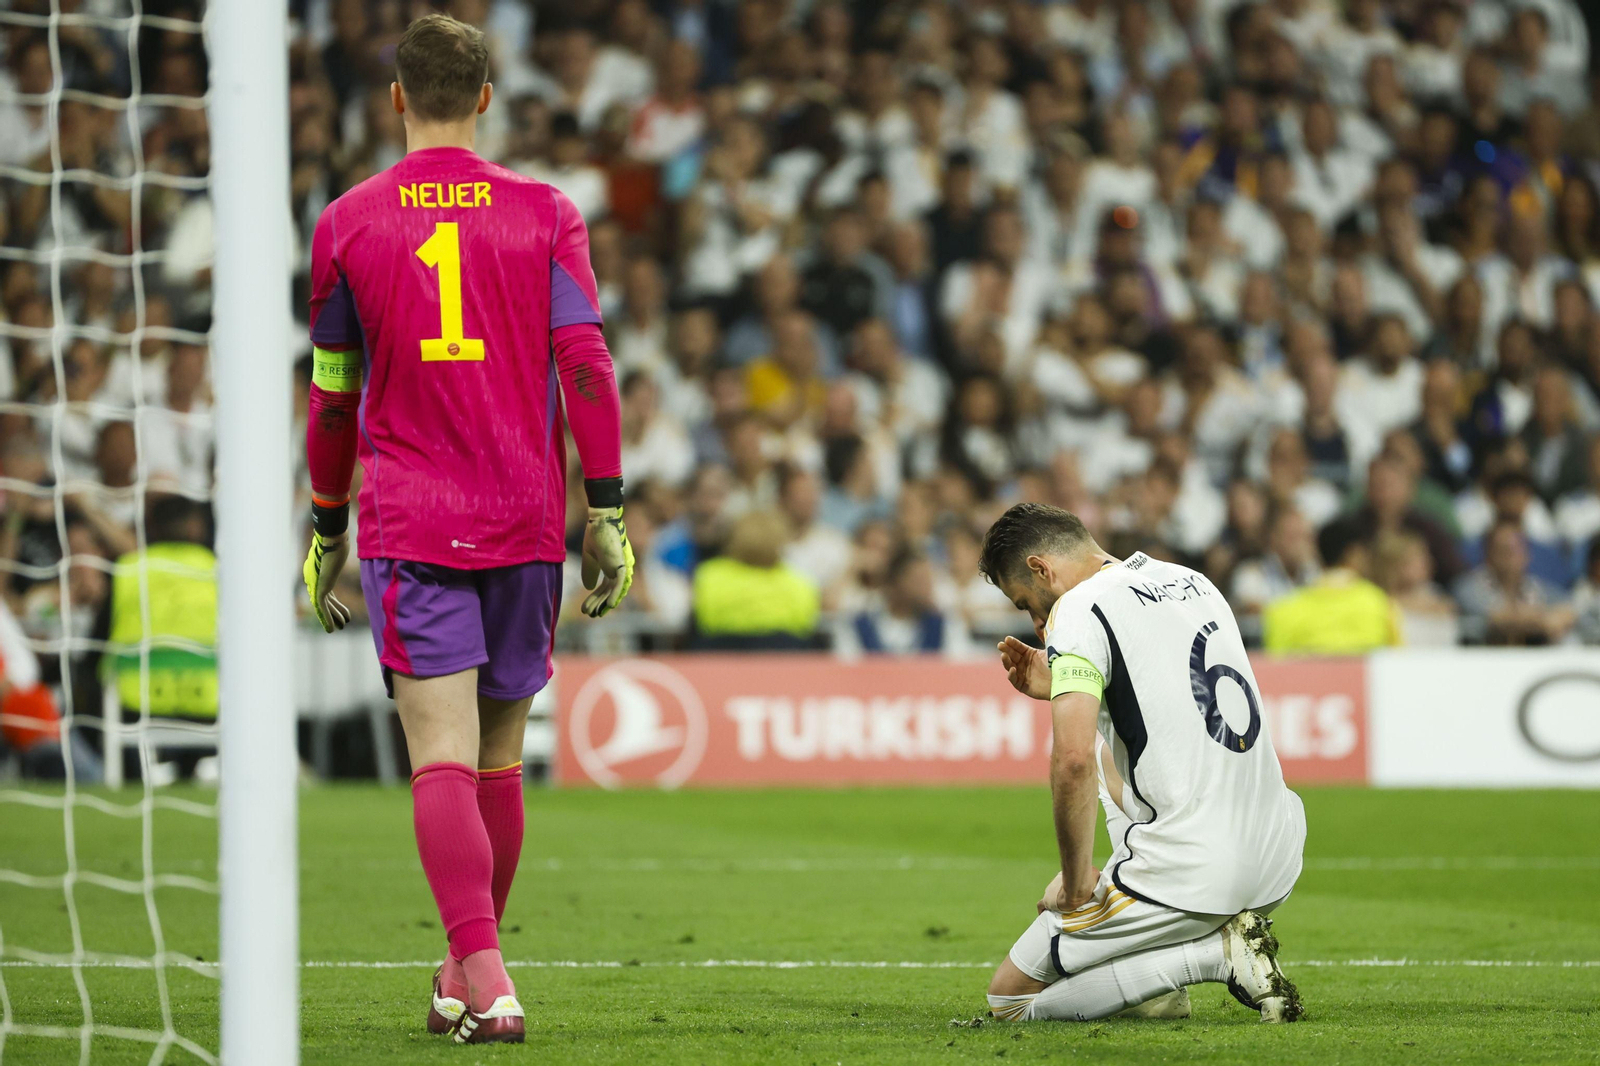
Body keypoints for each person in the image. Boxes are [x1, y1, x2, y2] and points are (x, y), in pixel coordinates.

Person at [298, 15, 633, 1045]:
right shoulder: (544, 212)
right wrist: (606, 510)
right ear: (486, 98)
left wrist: (323, 525)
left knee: (439, 754)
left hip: (410, 519)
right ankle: (463, 969)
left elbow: (332, 399)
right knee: (497, 754)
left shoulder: (348, 222)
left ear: (395, 98)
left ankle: (484, 976)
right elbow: (586, 366)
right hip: (525, 519)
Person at [975, 503, 1306, 1024]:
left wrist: (1075, 883)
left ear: (1041, 568)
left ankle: (1214, 955)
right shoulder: (1191, 581)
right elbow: (1162, 707)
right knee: (1115, 750)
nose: (1037, 624)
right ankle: (1157, 982)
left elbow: (1073, 762)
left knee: (1009, 1003)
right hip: (1278, 856)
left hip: (1195, 870)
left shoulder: (1078, 610)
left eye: (1026, 604)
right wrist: (1061, 681)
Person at [1262, 522, 1400, 654]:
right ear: (1354, 554)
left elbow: (1273, 669)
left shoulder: (1282, 609)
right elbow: (1397, 662)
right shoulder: (1381, 604)